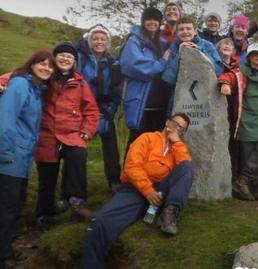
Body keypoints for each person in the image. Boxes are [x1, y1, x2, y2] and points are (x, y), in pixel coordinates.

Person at [80, 113, 194, 269]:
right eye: (175, 123)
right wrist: (147, 191)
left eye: (181, 128)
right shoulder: (147, 138)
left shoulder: (178, 147)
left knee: (187, 166)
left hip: (161, 191)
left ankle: (169, 214)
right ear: (167, 122)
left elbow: (184, 168)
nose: (177, 128)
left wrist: (176, 142)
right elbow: (132, 166)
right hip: (136, 190)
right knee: (100, 222)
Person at [34, 43, 100, 227]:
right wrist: (4, 82)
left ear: (74, 62)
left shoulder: (80, 83)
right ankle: (44, 214)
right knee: (47, 176)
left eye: (69, 57)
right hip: (47, 135)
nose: (65, 59)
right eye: (61, 55)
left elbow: (92, 110)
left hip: (72, 134)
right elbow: (20, 75)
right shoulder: (45, 77)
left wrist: (86, 131)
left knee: (78, 157)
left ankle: (76, 201)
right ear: (54, 58)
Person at [0, 50, 55, 269]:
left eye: (50, 66)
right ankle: (3, 255)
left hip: (21, 159)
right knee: (7, 208)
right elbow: (5, 120)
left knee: (16, 205)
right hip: (9, 159)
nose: (47, 68)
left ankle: (6, 249)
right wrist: (5, 154)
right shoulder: (21, 85)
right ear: (31, 64)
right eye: (42, 63)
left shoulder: (36, 90)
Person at [219, 43, 258, 201]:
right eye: (254, 54)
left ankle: (242, 180)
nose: (257, 57)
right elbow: (227, 77)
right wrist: (225, 84)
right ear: (249, 57)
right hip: (246, 121)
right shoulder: (240, 72)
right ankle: (256, 186)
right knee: (249, 157)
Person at [76, 24, 122, 193]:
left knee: (110, 146)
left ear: (108, 42)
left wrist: (109, 110)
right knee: (77, 149)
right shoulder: (80, 58)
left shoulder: (113, 62)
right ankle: (75, 190)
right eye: (95, 38)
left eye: (103, 39)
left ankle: (114, 181)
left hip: (104, 108)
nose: (99, 42)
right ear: (89, 41)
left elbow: (117, 88)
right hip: (81, 109)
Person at [120, 7, 168, 149]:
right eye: (149, 19)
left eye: (156, 20)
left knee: (154, 144)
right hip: (141, 100)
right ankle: (129, 171)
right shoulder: (134, 41)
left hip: (159, 103)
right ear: (143, 21)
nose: (152, 22)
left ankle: (150, 172)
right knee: (137, 143)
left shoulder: (162, 43)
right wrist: (162, 63)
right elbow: (134, 65)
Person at [161, 15, 223, 115]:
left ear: (195, 31)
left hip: (204, 99)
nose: (185, 32)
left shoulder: (207, 45)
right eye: (181, 29)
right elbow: (168, 79)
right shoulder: (172, 48)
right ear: (177, 33)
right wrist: (179, 55)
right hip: (179, 100)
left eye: (188, 28)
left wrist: (200, 52)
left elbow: (218, 71)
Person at [216, 38, 241, 183]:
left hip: (232, 108)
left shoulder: (237, 66)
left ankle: (233, 175)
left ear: (234, 51)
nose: (227, 46)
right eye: (223, 44)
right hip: (216, 107)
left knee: (233, 141)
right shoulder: (213, 63)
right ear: (218, 48)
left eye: (230, 45)